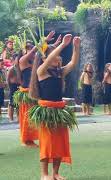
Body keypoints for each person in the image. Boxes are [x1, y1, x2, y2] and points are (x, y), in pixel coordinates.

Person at [28, 34, 80, 180]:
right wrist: (62, 45)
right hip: (47, 110)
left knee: (60, 143)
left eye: (58, 56)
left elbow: (72, 64)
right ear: (45, 58)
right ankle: (44, 174)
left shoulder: (59, 72)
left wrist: (76, 47)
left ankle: (55, 173)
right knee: (47, 143)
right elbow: (50, 58)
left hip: (59, 110)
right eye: (54, 55)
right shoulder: (41, 71)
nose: (58, 58)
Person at [7, 53, 21, 121]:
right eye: (16, 59)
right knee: (12, 103)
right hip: (13, 86)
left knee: (18, 104)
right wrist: (10, 87)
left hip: (19, 86)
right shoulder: (11, 69)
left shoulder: (20, 67)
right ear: (13, 60)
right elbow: (8, 79)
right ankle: (11, 118)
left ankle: (19, 118)